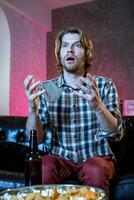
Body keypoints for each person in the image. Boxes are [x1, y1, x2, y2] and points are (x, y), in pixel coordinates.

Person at [24, 27, 124, 195]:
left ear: (86, 53)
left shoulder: (104, 85)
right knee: (43, 166)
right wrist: (32, 110)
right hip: (60, 158)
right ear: (59, 53)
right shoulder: (46, 89)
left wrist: (98, 106)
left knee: (95, 170)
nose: (69, 49)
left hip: (96, 157)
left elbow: (116, 133)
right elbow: (36, 140)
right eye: (65, 45)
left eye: (76, 45)